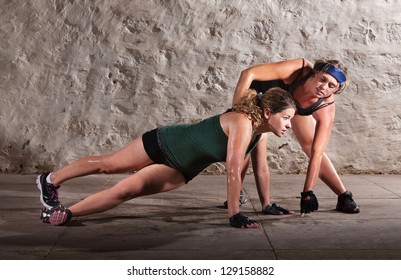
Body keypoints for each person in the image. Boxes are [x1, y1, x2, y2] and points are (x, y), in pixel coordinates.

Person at [36, 87, 296, 228]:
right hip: (165, 141)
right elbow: (232, 168)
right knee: (108, 165)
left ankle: (65, 213)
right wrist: (234, 214)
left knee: (126, 191)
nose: (289, 125)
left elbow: (260, 170)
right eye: (285, 118)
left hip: (181, 168)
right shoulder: (242, 122)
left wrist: (266, 204)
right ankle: (50, 179)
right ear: (266, 112)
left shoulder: (260, 135)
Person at [231, 58, 360, 216]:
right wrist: (237, 112)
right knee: (250, 144)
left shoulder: (325, 107)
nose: (323, 87)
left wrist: (308, 192)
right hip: (261, 97)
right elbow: (248, 73)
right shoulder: (298, 70)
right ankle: (236, 196)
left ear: (336, 90)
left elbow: (317, 153)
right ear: (315, 73)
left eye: (331, 86)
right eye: (322, 79)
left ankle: (344, 195)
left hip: (290, 106)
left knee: (311, 145)